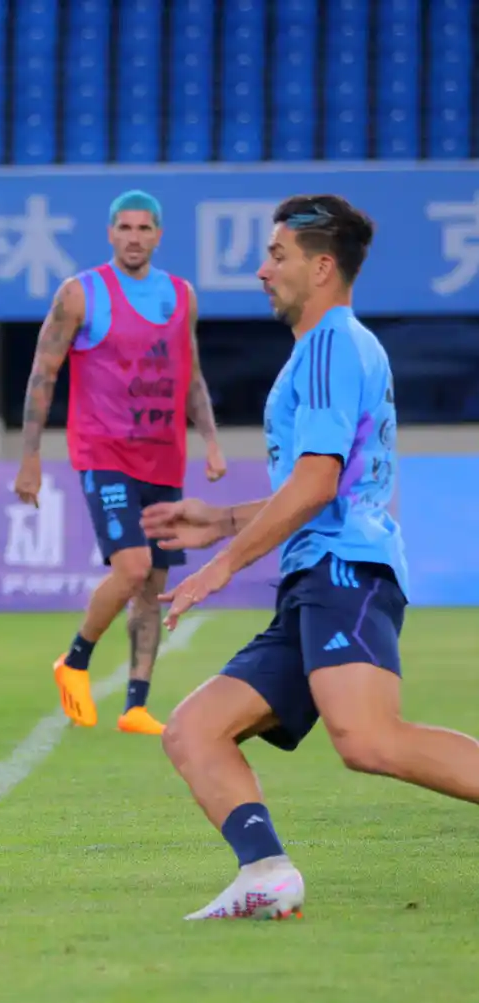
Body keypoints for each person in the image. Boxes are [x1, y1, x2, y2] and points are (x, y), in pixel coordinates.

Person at [143, 195, 479, 921]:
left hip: (345, 572)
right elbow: (312, 485)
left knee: (371, 739)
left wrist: (224, 562)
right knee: (195, 729)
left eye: (277, 256)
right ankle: (266, 874)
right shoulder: (324, 349)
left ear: (322, 267)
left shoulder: (330, 344)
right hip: (314, 578)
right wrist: (221, 520)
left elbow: (319, 482)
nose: (263, 271)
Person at [13, 189, 226, 736]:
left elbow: (191, 372)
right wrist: (30, 457)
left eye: (144, 228)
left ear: (158, 235)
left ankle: (136, 705)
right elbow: (43, 373)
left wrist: (211, 440)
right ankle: (75, 660)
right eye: (125, 228)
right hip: (104, 452)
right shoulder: (80, 293)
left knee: (153, 583)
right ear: (110, 233)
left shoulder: (181, 295)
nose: (134, 237)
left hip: (164, 457)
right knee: (131, 568)